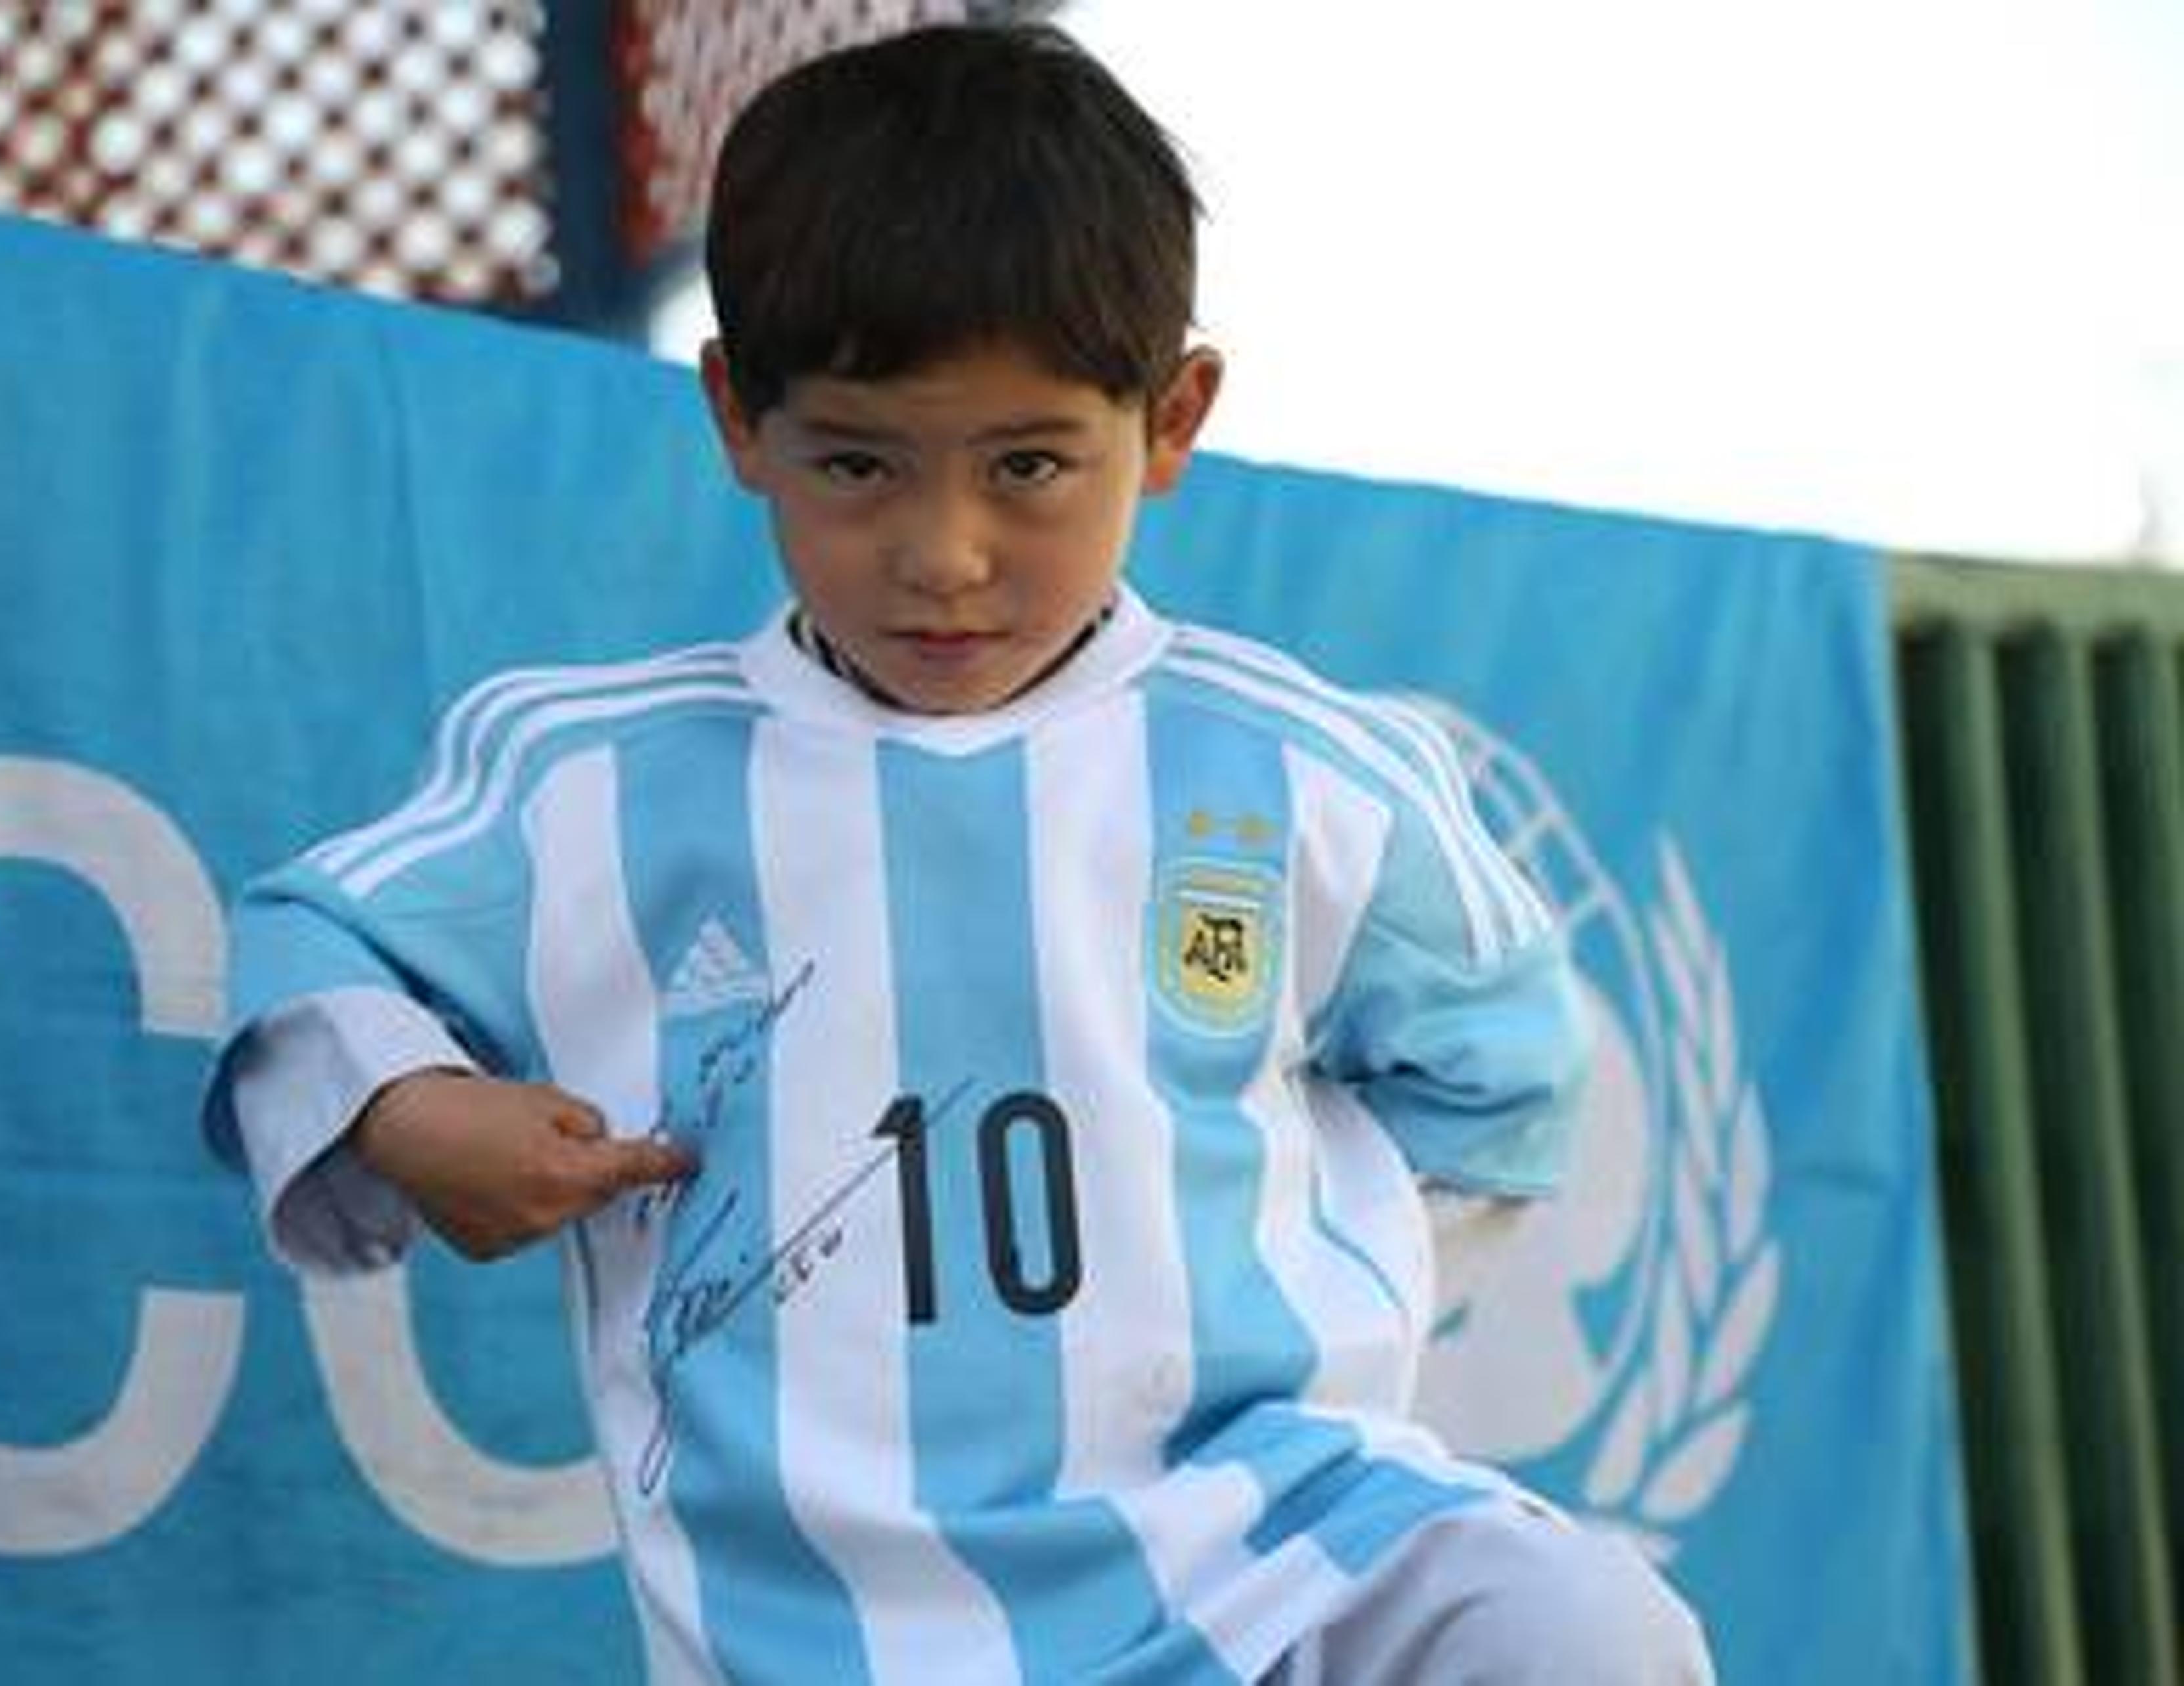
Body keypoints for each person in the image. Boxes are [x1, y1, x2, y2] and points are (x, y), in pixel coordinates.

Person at [203, 21, 1715, 1685]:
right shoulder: (589, 778)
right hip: (819, 1635)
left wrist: (1261, 1257)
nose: (945, 554)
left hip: (1269, 1561)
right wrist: (414, 1112)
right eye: (856, 462)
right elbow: (310, 941)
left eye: (1030, 467)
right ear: (735, 415)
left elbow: (1505, 1072)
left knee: (1587, 1630)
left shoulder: (1304, 774)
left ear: (1174, 417)